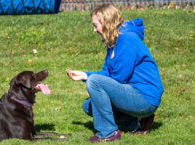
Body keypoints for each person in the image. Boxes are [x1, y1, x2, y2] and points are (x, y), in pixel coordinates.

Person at [66, 4, 164, 143]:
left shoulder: (127, 39)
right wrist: (84, 75)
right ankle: (136, 123)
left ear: (106, 22)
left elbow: (119, 78)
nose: (94, 30)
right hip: (131, 93)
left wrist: (91, 78)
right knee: (88, 106)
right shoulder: (114, 41)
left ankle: (108, 132)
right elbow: (107, 72)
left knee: (94, 82)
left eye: (96, 25)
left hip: (145, 98)